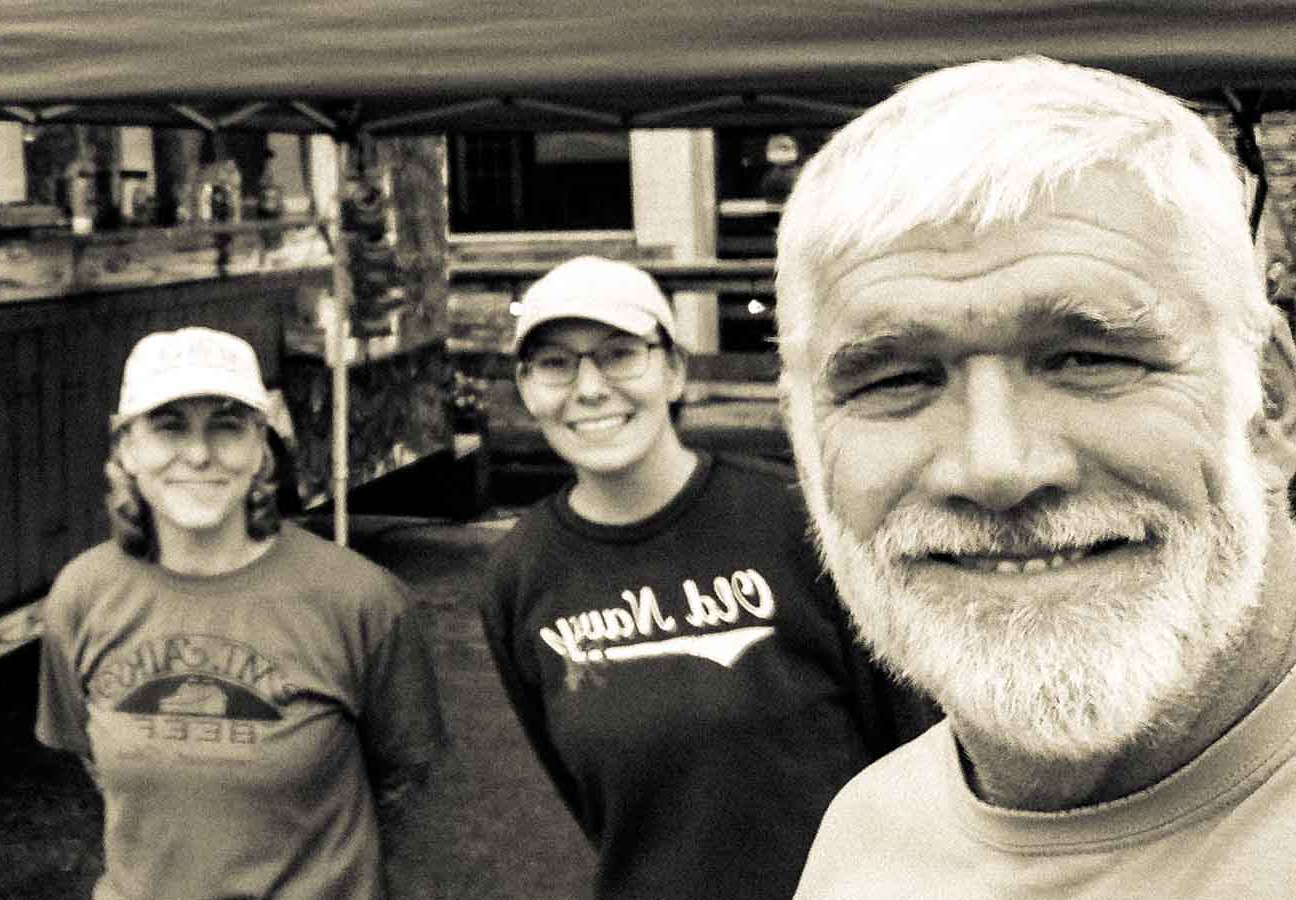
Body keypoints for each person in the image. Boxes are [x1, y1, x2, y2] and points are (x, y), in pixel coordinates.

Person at [774, 56, 1296, 898]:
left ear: (1269, 403)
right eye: (896, 379)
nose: (996, 468)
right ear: (802, 440)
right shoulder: (866, 844)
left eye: (1088, 357)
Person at [478, 255, 931, 900]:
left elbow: (912, 733)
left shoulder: (793, 524)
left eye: (619, 353)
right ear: (526, 388)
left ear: (673, 370)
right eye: (555, 362)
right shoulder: (519, 574)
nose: (589, 388)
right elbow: (587, 797)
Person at [35, 326, 447, 900]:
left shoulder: (360, 599)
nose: (199, 455)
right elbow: (92, 760)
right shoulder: (83, 594)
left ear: (260, 449)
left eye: (226, 426)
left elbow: (401, 776)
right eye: (169, 426)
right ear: (127, 449)